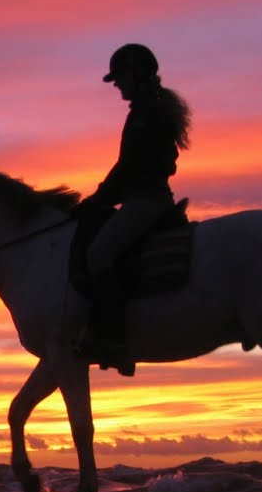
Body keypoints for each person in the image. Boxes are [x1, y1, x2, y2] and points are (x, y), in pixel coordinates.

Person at [74, 43, 192, 375]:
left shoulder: (146, 112)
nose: (118, 86)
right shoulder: (150, 107)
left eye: (121, 78)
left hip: (146, 200)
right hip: (144, 197)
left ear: (137, 74)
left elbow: (129, 166)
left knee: (98, 254)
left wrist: (98, 200)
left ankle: (114, 341)